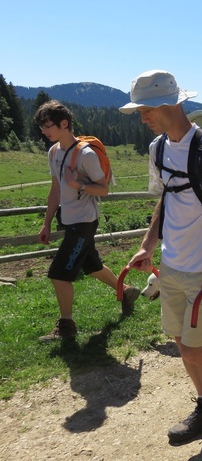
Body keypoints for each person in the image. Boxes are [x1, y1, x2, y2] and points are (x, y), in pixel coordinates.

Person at [119, 70, 202, 442]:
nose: (142, 118)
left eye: (146, 110)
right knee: (183, 342)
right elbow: (167, 198)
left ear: (171, 104)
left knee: (196, 345)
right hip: (172, 263)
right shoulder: (158, 149)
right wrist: (148, 244)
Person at [35, 100, 140, 342]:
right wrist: (47, 222)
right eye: (41, 127)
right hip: (69, 221)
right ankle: (125, 292)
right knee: (92, 266)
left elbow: (103, 190)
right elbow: (55, 191)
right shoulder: (53, 152)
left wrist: (78, 184)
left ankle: (66, 326)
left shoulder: (86, 154)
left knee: (59, 274)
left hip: (83, 223)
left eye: (47, 126)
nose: (44, 131)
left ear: (64, 123)